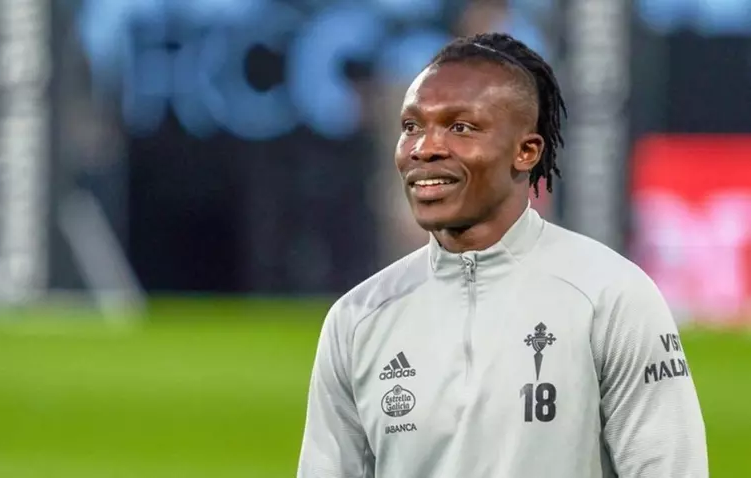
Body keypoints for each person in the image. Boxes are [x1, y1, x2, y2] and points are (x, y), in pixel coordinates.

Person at [297, 32, 708, 477]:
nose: (424, 148)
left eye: (460, 127)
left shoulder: (609, 296)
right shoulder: (357, 319)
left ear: (526, 151)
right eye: (412, 126)